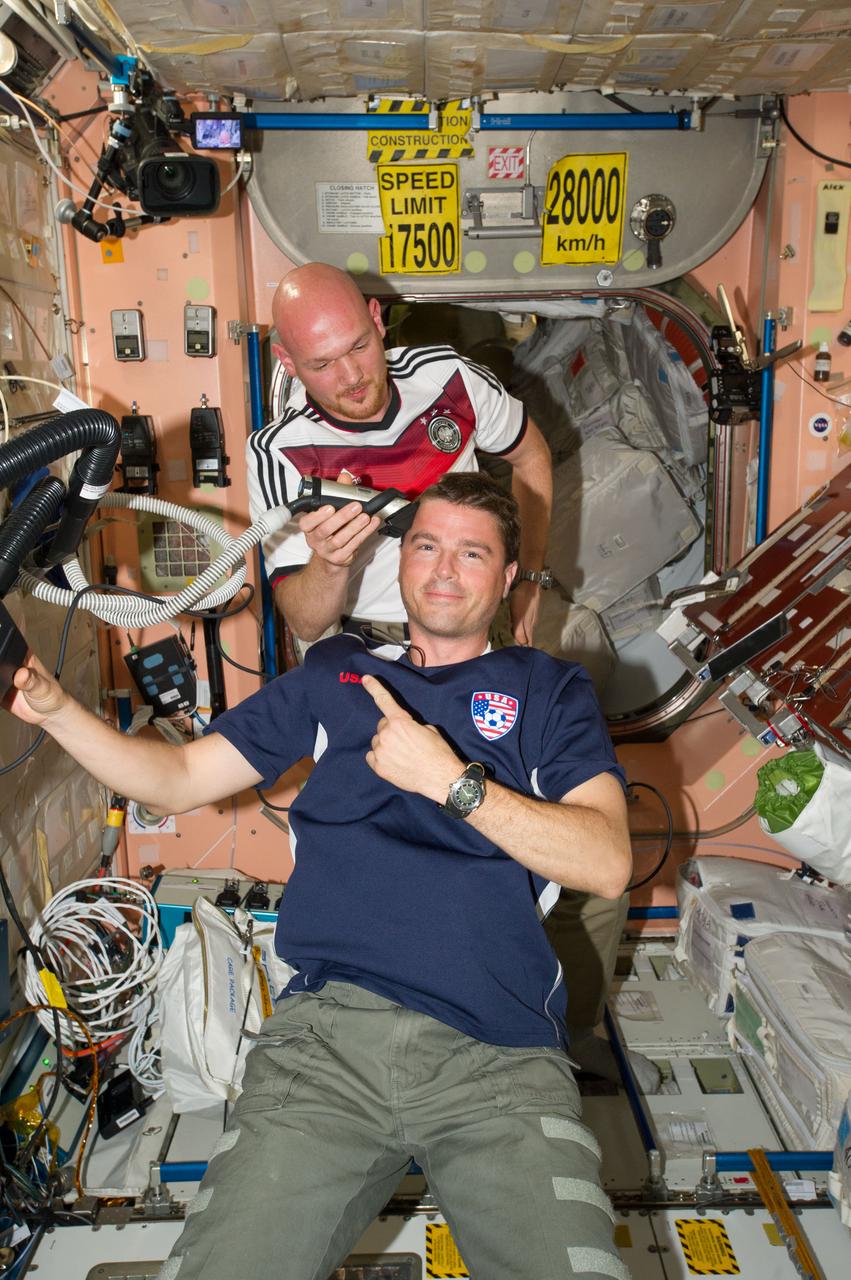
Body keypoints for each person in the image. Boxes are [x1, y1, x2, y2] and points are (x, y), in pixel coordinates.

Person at [7, 473, 632, 1280]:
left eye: (471, 553)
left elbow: (608, 862)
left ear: (508, 578)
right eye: (425, 546)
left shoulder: (547, 689)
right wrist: (56, 708)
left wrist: (451, 783)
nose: (443, 569)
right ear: (399, 562)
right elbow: (171, 779)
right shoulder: (336, 673)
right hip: (326, 1048)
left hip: (498, 1055)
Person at [246, 262, 552, 647]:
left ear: (377, 320)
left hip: (480, 632)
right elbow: (305, 624)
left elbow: (531, 455)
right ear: (288, 362)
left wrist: (529, 575)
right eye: (322, 364)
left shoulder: (449, 379)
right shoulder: (280, 451)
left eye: (358, 346)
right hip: (371, 650)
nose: (351, 376)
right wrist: (330, 562)